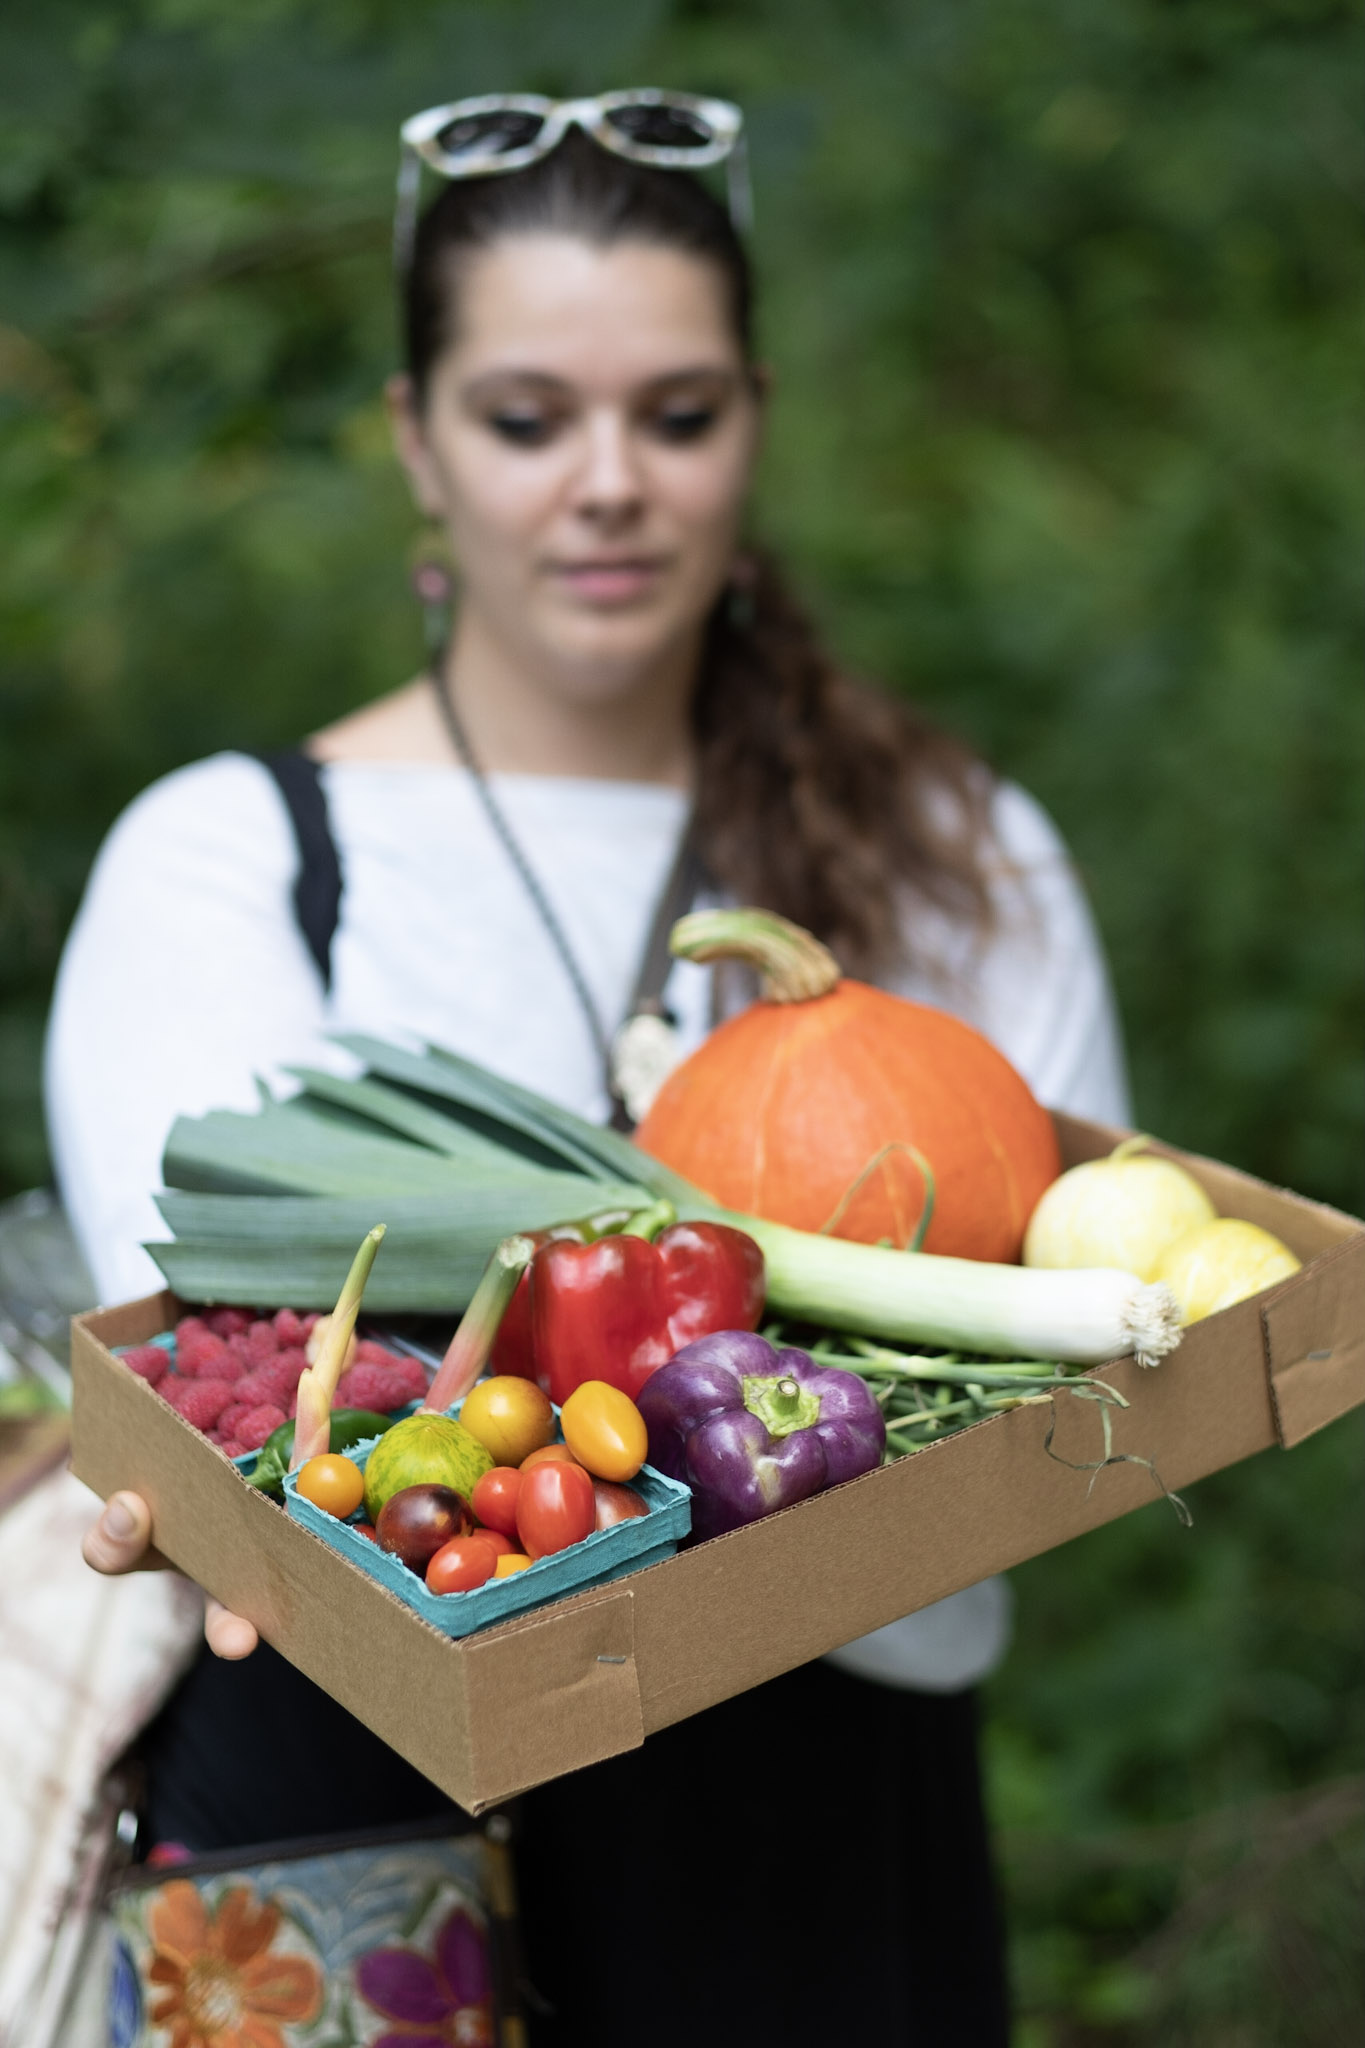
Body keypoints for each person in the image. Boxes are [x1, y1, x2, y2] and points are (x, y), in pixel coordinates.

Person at [58, 93, 1129, 2044]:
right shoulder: (228, 860)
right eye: (527, 416)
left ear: (755, 424)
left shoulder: (962, 855)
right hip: (353, 1783)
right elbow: (222, 1365)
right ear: (413, 439)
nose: (609, 480)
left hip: (811, 1814)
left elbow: (1059, 1334)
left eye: (679, 413)